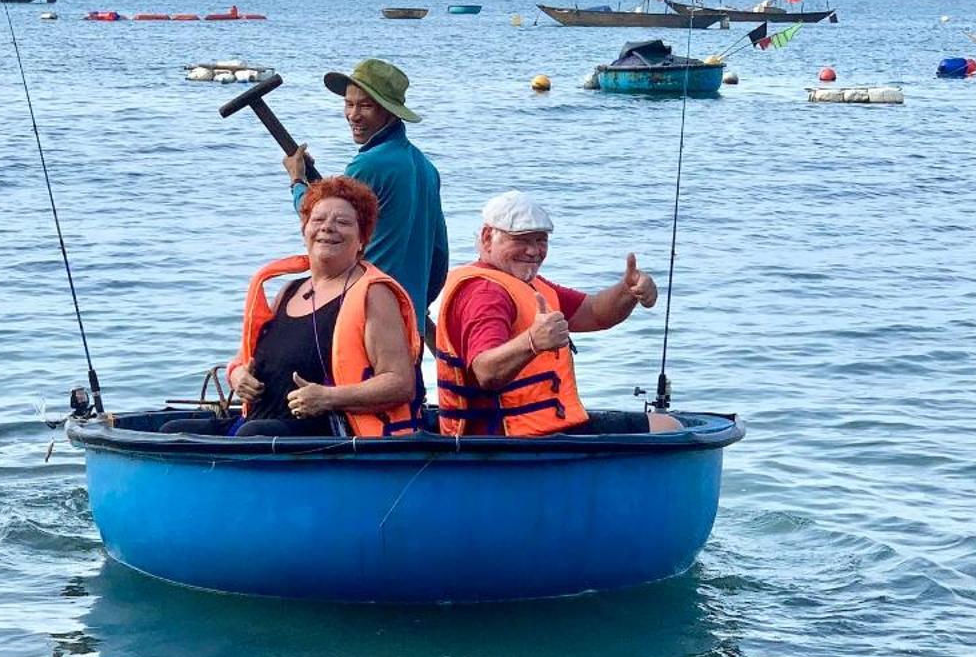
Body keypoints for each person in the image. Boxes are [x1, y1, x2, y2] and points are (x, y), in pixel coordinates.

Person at [433, 191, 680, 436]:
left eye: (541, 240)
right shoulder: (485, 293)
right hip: (505, 441)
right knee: (668, 428)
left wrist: (629, 290)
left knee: (667, 425)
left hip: (545, 429)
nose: (533, 251)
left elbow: (595, 313)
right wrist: (532, 342)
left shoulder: (529, 284)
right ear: (488, 238)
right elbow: (486, 372)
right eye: (521, 240)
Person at [216, 176, 422, 438]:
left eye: (343, 222)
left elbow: (400, 383)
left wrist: (327, 397)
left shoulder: (374, 294)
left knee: (254, 434)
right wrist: (237, 375)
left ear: (362, 240)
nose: (328, 228)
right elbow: (243, 359)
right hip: (259, 422)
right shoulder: (288, 291)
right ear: (305, 231)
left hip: (330, 434)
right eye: (318, 220)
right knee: (175, 431)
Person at [281, 59, 447, 336]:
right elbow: (439, 255)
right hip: (409, 317)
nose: (353, 115)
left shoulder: (369, 165)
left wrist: (297, 181)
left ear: (390, 112)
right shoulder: (425, 167)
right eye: (349, 104)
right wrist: (418, 305)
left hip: (367, 315)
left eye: (366, 106)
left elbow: (321, 221)